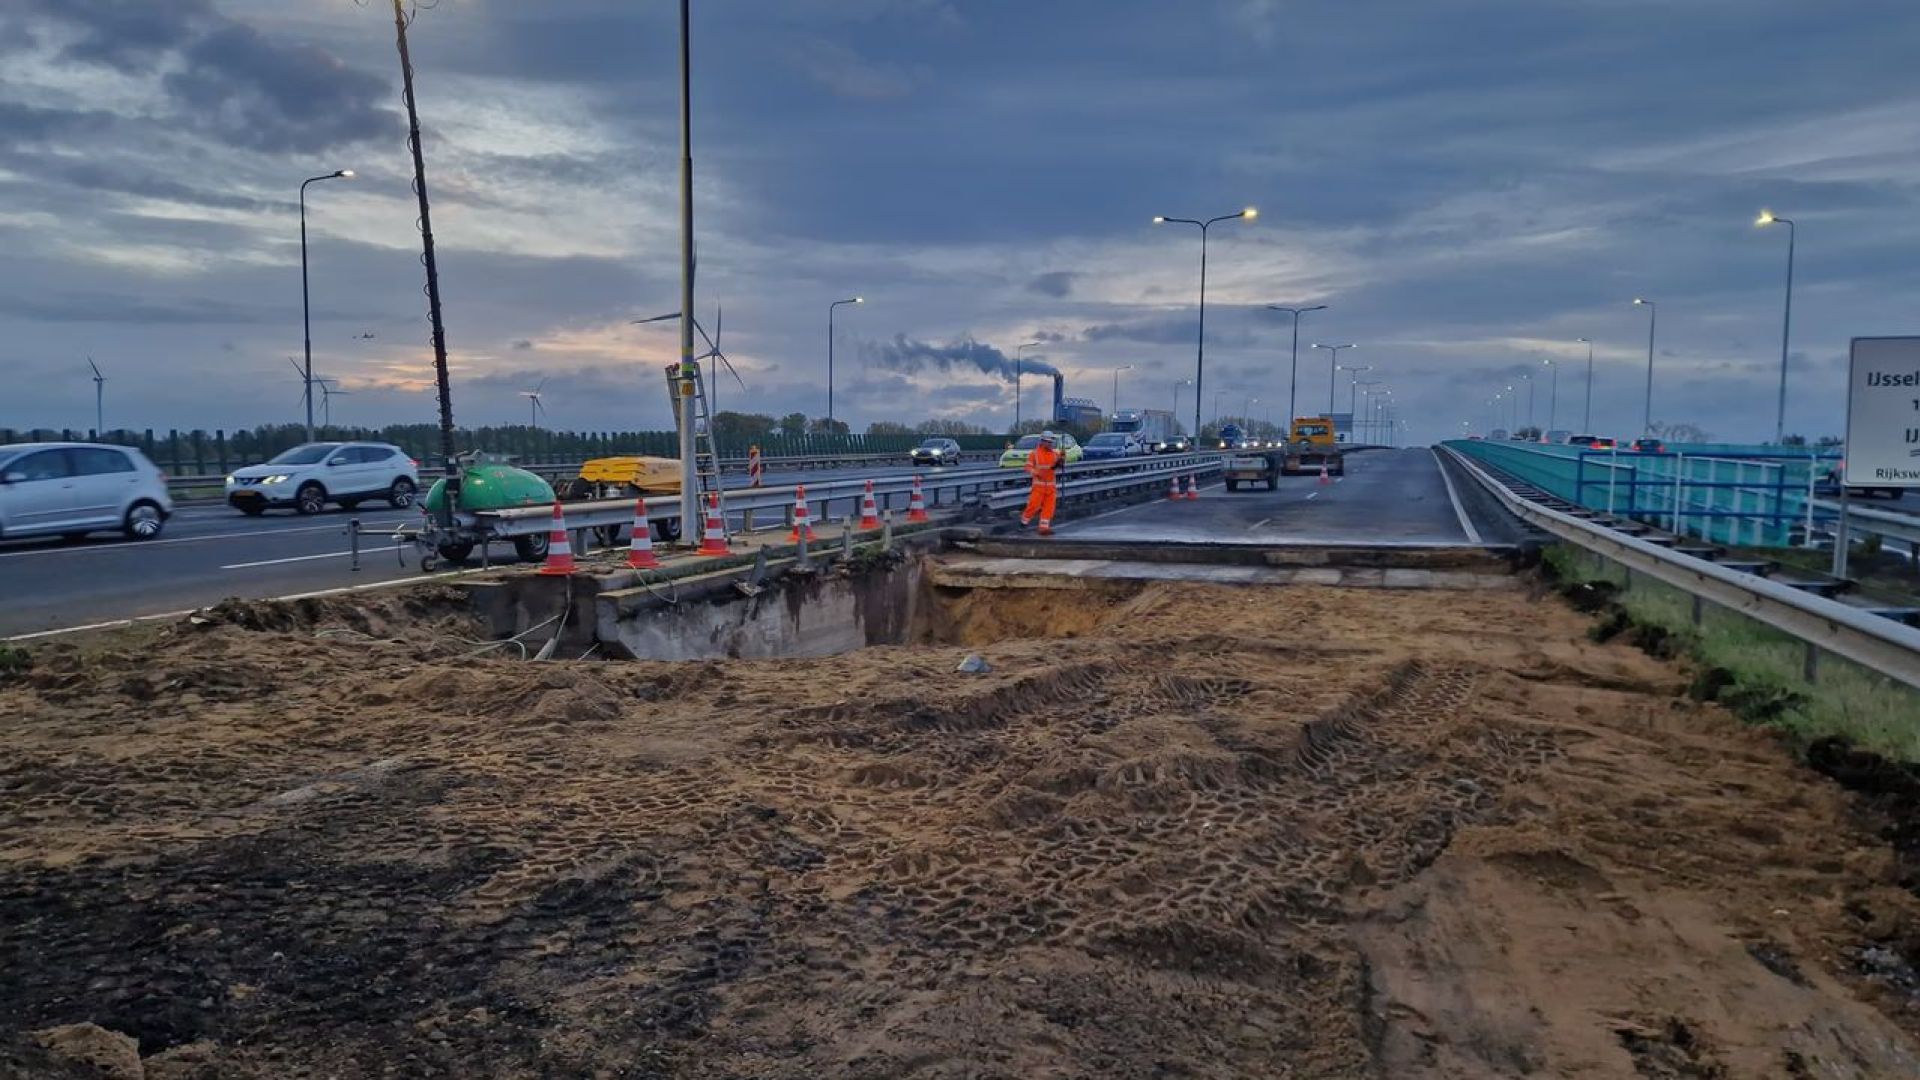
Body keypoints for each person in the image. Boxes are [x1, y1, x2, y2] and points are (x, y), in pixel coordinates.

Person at [1020, 431, 1064, 535]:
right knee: (1033, 506)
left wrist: (1062, 460)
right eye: (1048, 442)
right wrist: (1035, 472)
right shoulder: (1034, 454)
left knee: (1049, 508)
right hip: (1038, 486)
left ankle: (1044, 527)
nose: (1050, 444)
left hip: (1051, 487)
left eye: (1051, 442)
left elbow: (1057, 466)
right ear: (1042, 441)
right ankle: (1023, 523)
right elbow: (1027, 467)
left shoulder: (1055, 454)